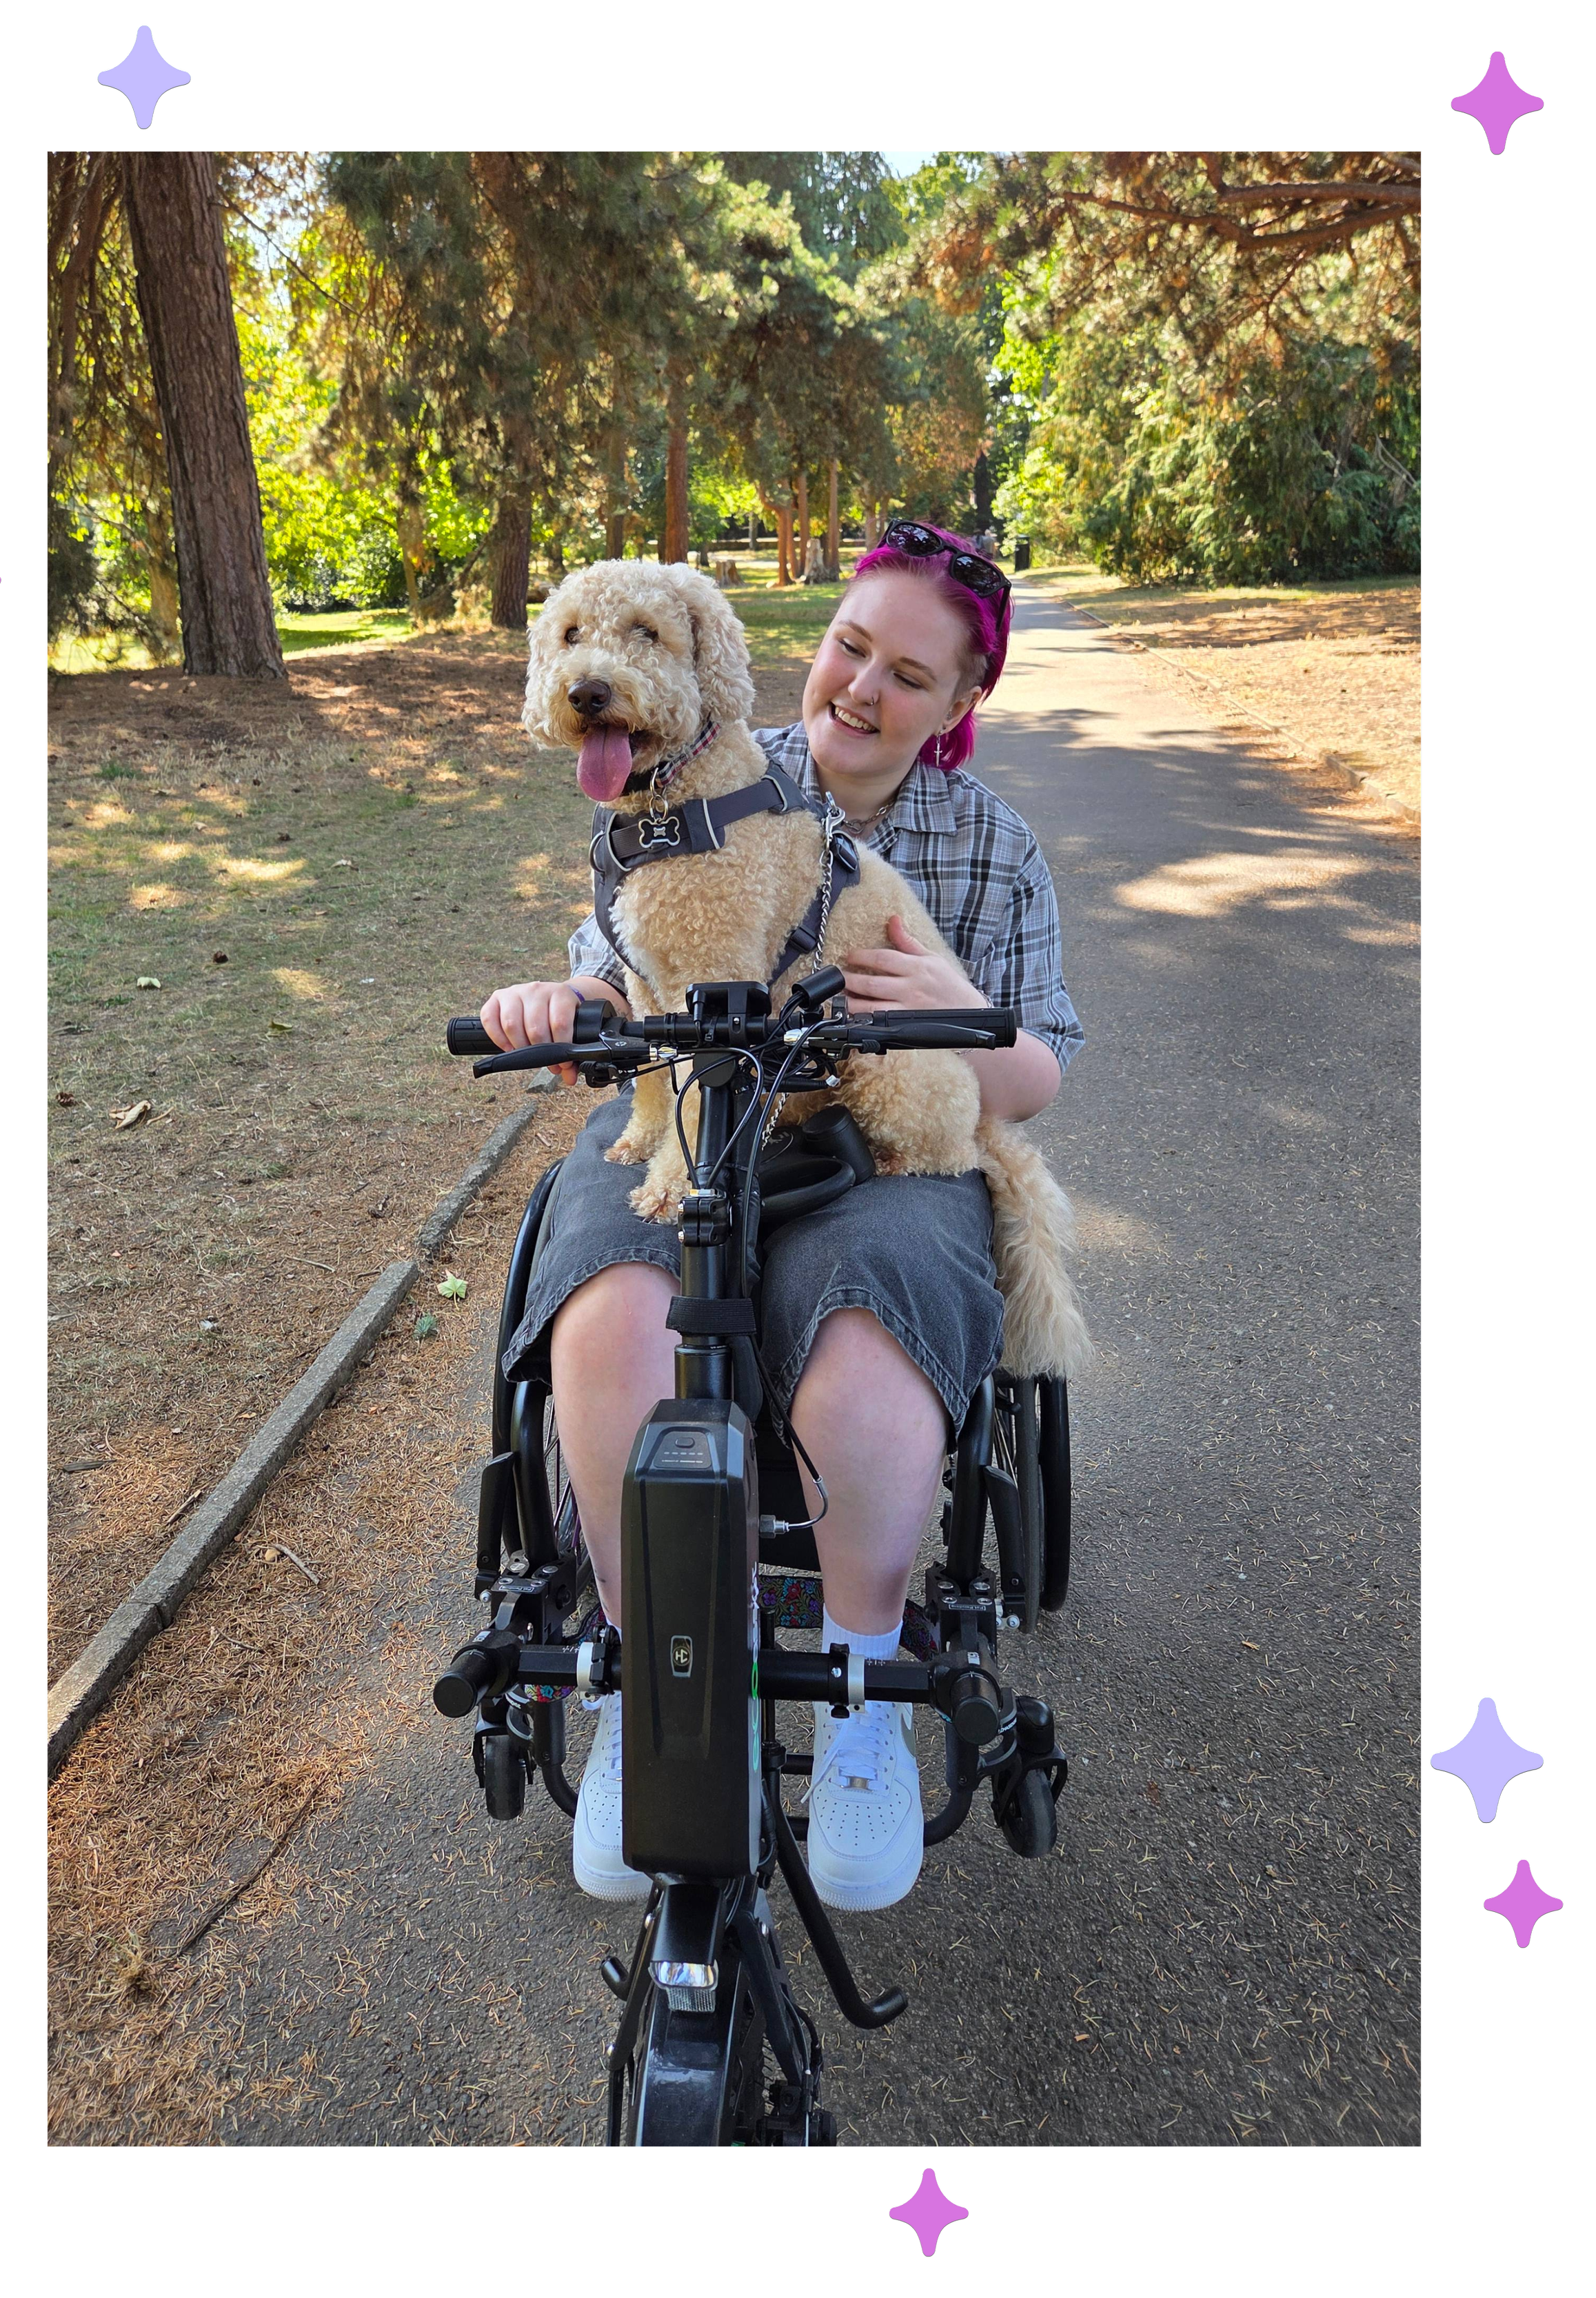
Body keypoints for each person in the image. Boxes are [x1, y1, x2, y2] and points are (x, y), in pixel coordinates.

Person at [478, 521, 1084, 1913]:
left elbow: (1035, 1067)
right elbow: (614, 986)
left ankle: (863, 1690)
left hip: (875, 1145)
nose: (861, 689)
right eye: (849, 647)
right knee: (618, 1304)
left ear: (955, 708)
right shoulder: (674, 765)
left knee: (866, 1330)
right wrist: (555, 1007)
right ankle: (647, 1674)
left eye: (908, 676)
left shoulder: (988, 846)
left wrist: (926, 982)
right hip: (676, 1108)